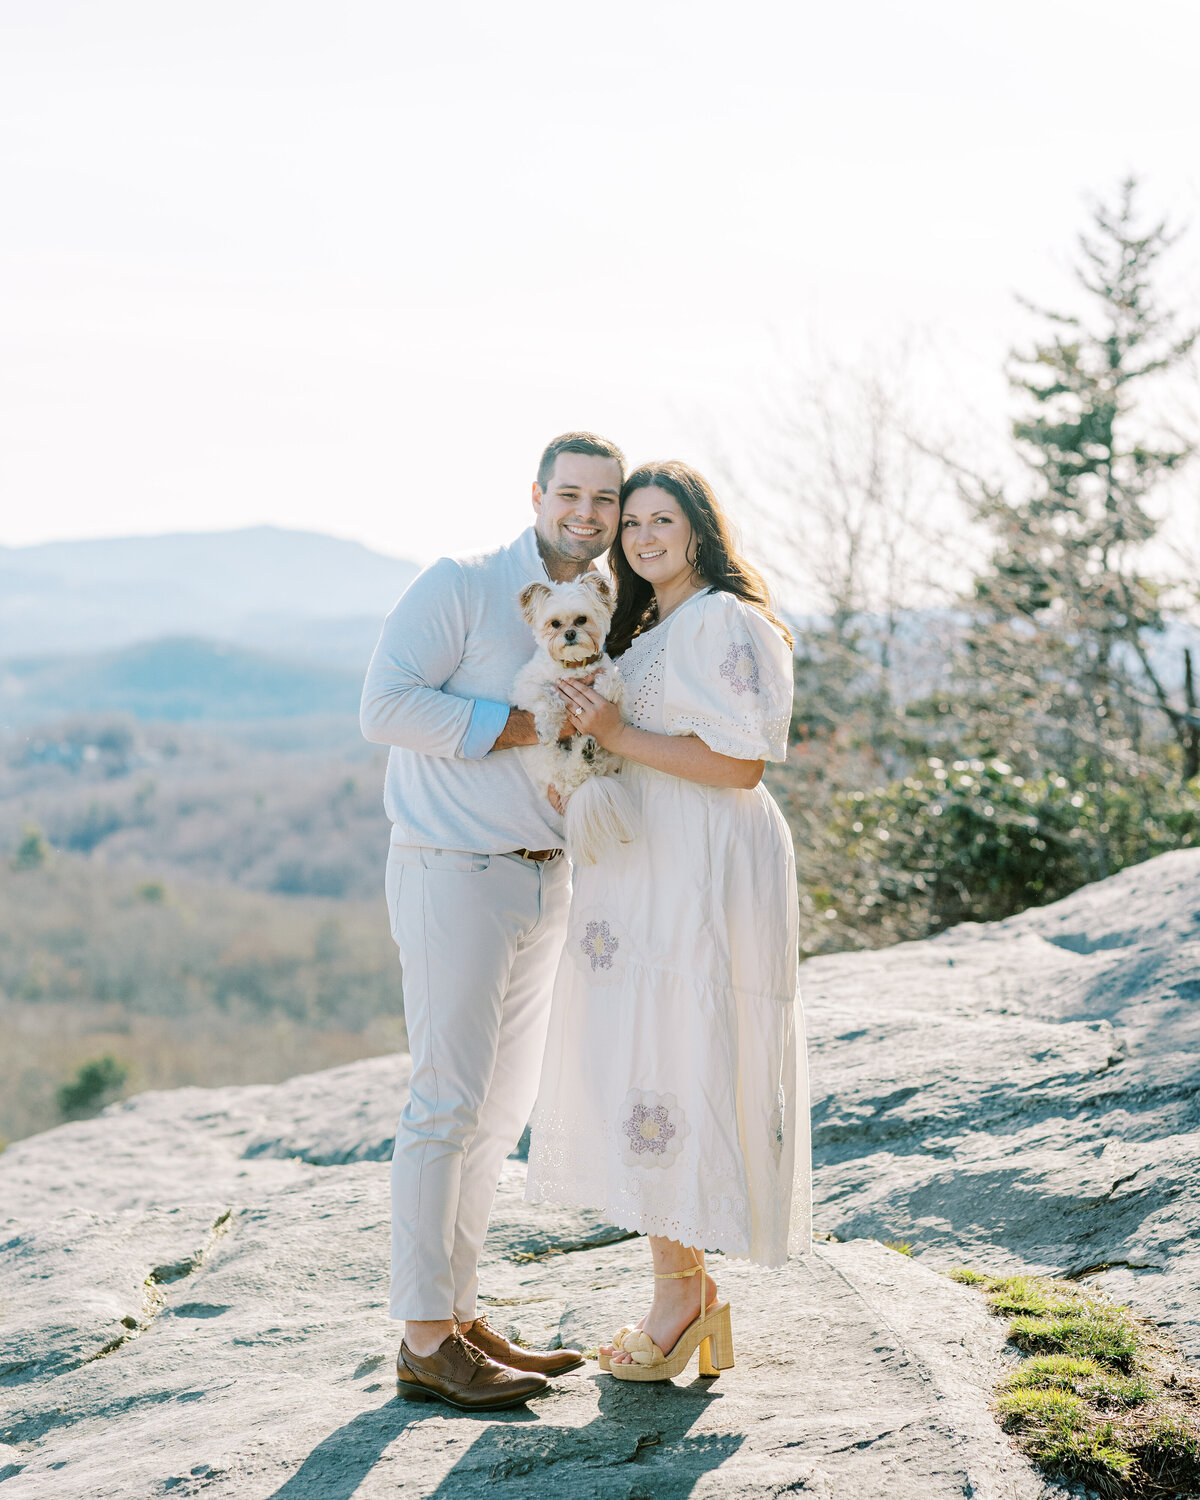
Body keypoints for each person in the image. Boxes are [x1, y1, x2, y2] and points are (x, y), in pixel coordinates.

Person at [526, 460, 811, 1382]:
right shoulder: (648, 625)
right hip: (648, 878)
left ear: (699, 529)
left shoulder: (725, 620)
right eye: (633, 524)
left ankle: (681, 1301)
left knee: (678, 1064)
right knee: (644, 1070)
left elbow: (741, 767)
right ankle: (687, 1293)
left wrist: (612, 735)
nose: (645, 537)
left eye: (663, 521)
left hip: (701, 875)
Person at [360, 430, 625, 1411]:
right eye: (571, 495)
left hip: (548, 881)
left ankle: (459, 1314)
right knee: (444, 1101)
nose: (587, 515)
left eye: (605, 500)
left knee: (496, 1115)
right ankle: (424, 1339)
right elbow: (384, 707)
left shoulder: (604, 607)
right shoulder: (463, 584)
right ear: (537, 494)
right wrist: (521, 725)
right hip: (452, 872)